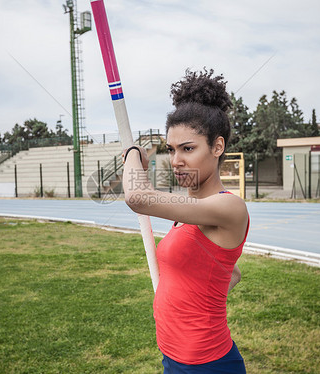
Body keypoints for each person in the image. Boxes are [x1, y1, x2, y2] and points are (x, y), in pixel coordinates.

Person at [122, 68, 249, 373]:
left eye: (188, 148)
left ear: (217, 147)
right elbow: (231, 273)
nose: (176, 160)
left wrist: (132, 153)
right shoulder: (191, 207)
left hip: (207, 363)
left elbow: (138, 198)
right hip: (174, 355)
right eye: (171, 149)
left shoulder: (229, 207)